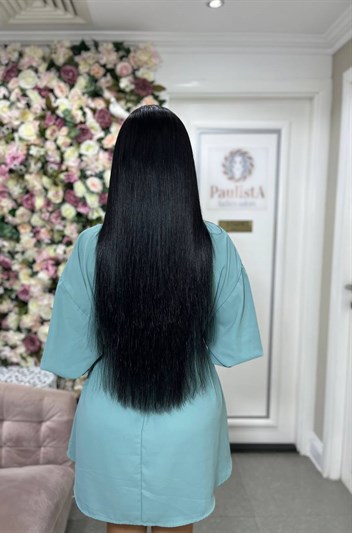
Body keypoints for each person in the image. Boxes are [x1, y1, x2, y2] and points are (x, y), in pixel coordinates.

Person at [40, 104, 264, 533]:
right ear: (183, 171)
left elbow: (72, 354)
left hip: (112, 410)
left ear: (122, 170)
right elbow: (229, 346)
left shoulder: (92, 247)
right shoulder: (214, 245)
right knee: (178, 525)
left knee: (119, 526)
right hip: (188, 409)